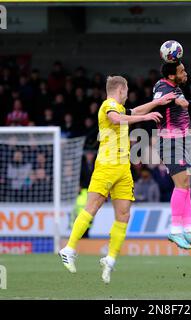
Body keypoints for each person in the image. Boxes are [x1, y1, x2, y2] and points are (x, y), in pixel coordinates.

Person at [59, 75, 174, 284]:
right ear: (120, 89)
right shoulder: (108, 105)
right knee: (92, 206)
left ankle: (110, 259)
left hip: (123, 168)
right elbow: (117, 119)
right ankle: (69, 248)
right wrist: (145, 119)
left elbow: (133, 112)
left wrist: (156, 103)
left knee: (124, 214)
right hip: (106, 166)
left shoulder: (120, 108)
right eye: (127, 89)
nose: (128, 94)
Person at [152, 61, 191, 250]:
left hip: (182, 141)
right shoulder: (171, 90)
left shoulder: (162, 85)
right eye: (182, 71)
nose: (186, 73)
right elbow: (181, 102)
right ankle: (175, 230)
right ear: (172, 75)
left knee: (186, 185)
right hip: (171, 142)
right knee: (181, 185)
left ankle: (187, 228)